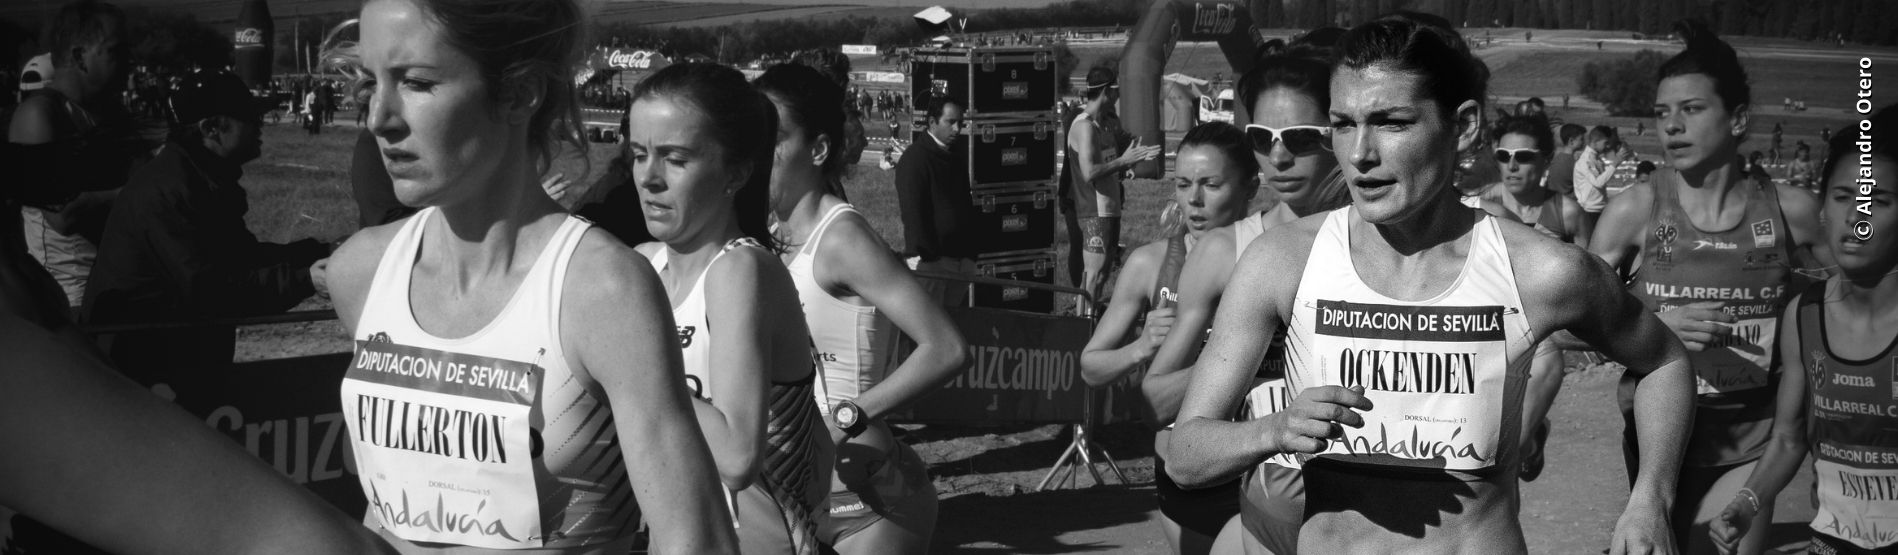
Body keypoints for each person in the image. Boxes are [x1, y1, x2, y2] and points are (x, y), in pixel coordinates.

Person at [1166, 13, 1697, 553]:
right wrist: (1273, 430)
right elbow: (1185, 454)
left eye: (1392, 122)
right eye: (1343, 124)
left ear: (1463, 126)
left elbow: (1665, 362)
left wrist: (1651, 500)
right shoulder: (1282, 261)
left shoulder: (1541, 270)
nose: (1359, 154)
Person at [325, 0, 737, 551]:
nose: (378, 117)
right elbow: (395, 508)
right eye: (367, 84)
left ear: (520, 93)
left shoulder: (601, 290)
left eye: (417, 83)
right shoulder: (361, 272)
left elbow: (696, 539)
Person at [1588, 19, 1831, 555]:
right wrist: (1649, 329)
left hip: (1753, 439)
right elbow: (1576, 321)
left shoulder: (1792, 210)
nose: (1672, 126)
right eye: (1661, 113)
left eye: (1691, 109)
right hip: (1659, 441)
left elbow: (1862, 288)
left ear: (1738, 119)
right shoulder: (1634, 210)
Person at [1141, 40, 1353, 555]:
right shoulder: (1224, 249)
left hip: (1345, 494)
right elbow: (1157, 395)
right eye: (1262, 137)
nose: (1279, 155)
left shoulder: (1384, 241)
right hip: (1221, 479)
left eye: (1301, 138)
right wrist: (1249, 355)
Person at [754, 63, 966, 555]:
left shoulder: (843, 238)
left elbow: (946, 348)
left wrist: (845, 417)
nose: (756, 150)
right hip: (783, 491)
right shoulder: (764, 232)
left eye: (774, 137)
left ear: (819, 150)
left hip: (863, 500)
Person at [627, 63, 830, 555]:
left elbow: (739, 456)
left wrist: (632, 366)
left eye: (674, 159)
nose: (648, 178)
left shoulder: (740, 270)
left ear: (736, 172)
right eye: (638, 155)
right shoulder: (639, 264)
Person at [1708, 104, 1898, 555]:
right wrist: (1747, 502)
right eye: (1843, 196)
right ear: (1824, 205)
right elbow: (1790, 437)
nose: (1858, 215)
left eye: (1879, 201)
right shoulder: (1803, 315)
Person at [1080, 122, 1262, 555]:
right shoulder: (1150, 264)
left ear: (1249, 187)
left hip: (1261, 458)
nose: (1194, 200)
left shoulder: (1273, 256)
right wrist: (1141, 347)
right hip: (1185, 463)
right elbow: (1090, 367)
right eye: (1183, 185)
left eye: (1211, 185)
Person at [82, 70, 328, 390]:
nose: (261, 124)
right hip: (140, 376)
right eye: (249, 117)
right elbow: (214, 292)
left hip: (168, 362)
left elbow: (243, 257)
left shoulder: (197, 178)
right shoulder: (170, 191)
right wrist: (308, 278)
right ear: (211, 128)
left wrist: (322, 252)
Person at [7, 0, 143, 314]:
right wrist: (138, 190)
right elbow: (63, 216)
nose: (130, 62)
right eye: (116, 51)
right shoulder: (40, 115)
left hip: (118, 285)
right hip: (71, 299)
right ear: (80, 56)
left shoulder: (109, 113)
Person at [1064, 66, 1162, 307]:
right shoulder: (1084, 126)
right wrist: (1124, 161)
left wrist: (1126, 162)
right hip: (1094, 211)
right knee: (1093, 275)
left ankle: (1090, 324)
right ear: (1106, 91)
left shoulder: (1103, 125)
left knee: (1103, 276)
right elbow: (1089, 172)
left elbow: (1107, 162)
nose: (1119, 98)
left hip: (1109, 208)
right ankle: (1082, 330)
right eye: (1116, 92)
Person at [895, 96, 979, 306]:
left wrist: (970, 254)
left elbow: (966, 207)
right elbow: (913, 213)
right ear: (932, 122)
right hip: (932, 263)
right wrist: (929, 257)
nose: (957, 129)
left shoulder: (956, 158)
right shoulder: (915, 159)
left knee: (952, 326)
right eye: (950, 122)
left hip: (960, 262)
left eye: (961, 122)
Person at [1575, 124, 1627, 230]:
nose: (1608, 146)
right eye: (1605, 142)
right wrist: (1615, 164)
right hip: (1589, 211)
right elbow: (1598, 183)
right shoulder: (1586, 161)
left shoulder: (1597, 160)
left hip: (1598, 209)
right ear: (1595, 142)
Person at [1546, 123, 1586, 197]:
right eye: (1581, 139)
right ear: (1571, 141)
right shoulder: (1573, 163)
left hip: (1553, 199)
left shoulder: (1556, 159)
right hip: (1569, 200)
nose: (1583, 142)